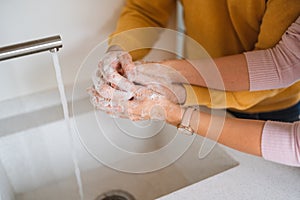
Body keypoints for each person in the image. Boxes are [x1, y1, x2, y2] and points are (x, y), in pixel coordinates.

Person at [88, 16, 300, 167]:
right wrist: (121, 50)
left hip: (276, 104)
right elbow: (285, 60)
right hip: (208, 97)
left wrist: (181, 96)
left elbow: (293, 145)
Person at [101, 0, 300, 122]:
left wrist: (181, 90)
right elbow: (146, 9)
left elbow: (276, 66)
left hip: (273, 107)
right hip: (200, 94)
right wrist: (119, 49)